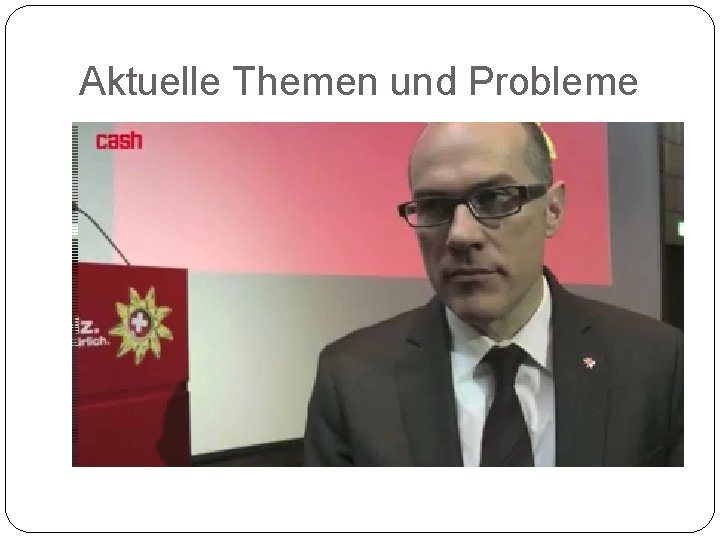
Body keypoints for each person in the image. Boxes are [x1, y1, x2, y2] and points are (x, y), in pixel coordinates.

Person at [303, 122, 683, 466]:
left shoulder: (658, 364)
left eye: (495, 198)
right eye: (434, 206)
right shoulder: (351, 379)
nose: (460, 235)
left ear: (552, 210)